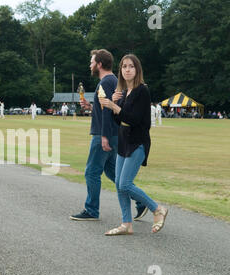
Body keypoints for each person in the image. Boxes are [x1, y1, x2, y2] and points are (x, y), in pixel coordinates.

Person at [70, 49, 146, 222]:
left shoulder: (106, 82)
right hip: (112, 133)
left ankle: (91, 210)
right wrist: (91, 106)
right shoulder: (111, 81)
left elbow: (107, 111)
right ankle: (141, 202)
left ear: (99, 64)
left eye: (91, 62)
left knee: (91, 172)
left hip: (104, 134)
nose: (90, 65)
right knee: (113, 173)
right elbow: (106, 108)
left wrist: (104, 136)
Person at [99, 54, 168, 235]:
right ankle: (126, 224)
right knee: (118, 185)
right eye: (124, 66)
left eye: (131, 66)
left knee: (125, 184)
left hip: (137, 142)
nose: (127, 69)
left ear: (137, 69)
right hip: (123, 141)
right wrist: (115, 102)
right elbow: (118, 120)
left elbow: (135, 119)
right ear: (120, 70)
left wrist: (114, 106)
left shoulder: (141, 91)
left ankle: (157, 209)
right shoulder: (123, 92)